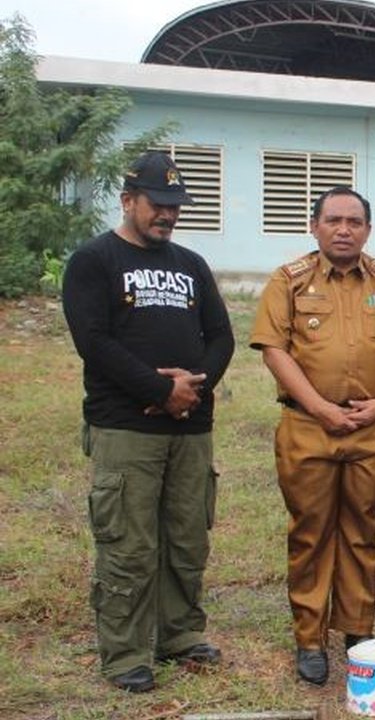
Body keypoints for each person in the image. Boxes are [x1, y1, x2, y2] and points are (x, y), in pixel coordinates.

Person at [62, 151, 235, 693]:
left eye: (174, 206)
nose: (167, 215)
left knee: (187, 540)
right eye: (157, 205)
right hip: (126, 428)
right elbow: (93, 342)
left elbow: (222, 337)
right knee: (129, 545)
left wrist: (190, 389)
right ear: (128, 200)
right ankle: (125, 654)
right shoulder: (94, 260)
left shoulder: (191, 264)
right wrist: (160, 390)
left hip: (189, 429)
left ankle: (180, 634)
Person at [249, 187, 375, 686]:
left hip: (372, 427)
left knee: (361, 531)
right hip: (309, 427)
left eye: (354, 221)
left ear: (368, 230)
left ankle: (354, 629)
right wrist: (320, 407)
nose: (343, 229)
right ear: (315, 226)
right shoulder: (289, 281)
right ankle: (310, 638)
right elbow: (274, 351)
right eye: (333, 220)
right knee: (311, 533)